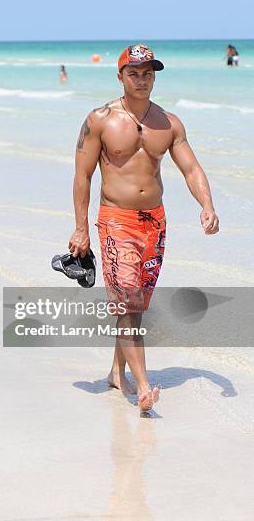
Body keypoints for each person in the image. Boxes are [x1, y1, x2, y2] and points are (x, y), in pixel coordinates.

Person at [68, 43, 219, 413]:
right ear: (120, 76)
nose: (142, 79)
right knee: (128, 306)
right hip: (115, 220)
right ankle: (144, 386)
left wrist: (207, 205)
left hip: (155, 223)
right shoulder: (99, 119)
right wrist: (80, 228)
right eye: (134, 72)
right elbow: (82, 176)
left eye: (148, 72)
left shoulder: (169, 123)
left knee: (134, 305)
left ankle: (117, 374)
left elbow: (191, 169)